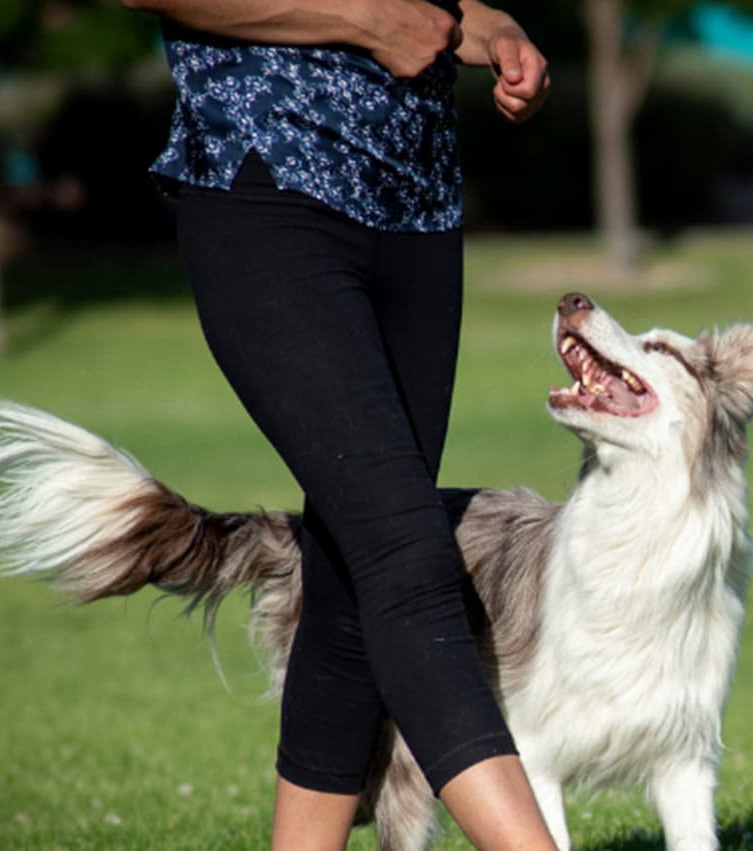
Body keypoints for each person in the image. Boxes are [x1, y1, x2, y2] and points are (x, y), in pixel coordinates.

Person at [117, 1, 556, 848]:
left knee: (352, 577)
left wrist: (500, 37)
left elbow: (435, 11)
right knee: (406, 553)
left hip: (418, 213)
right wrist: (362, 22)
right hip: (271, 186)